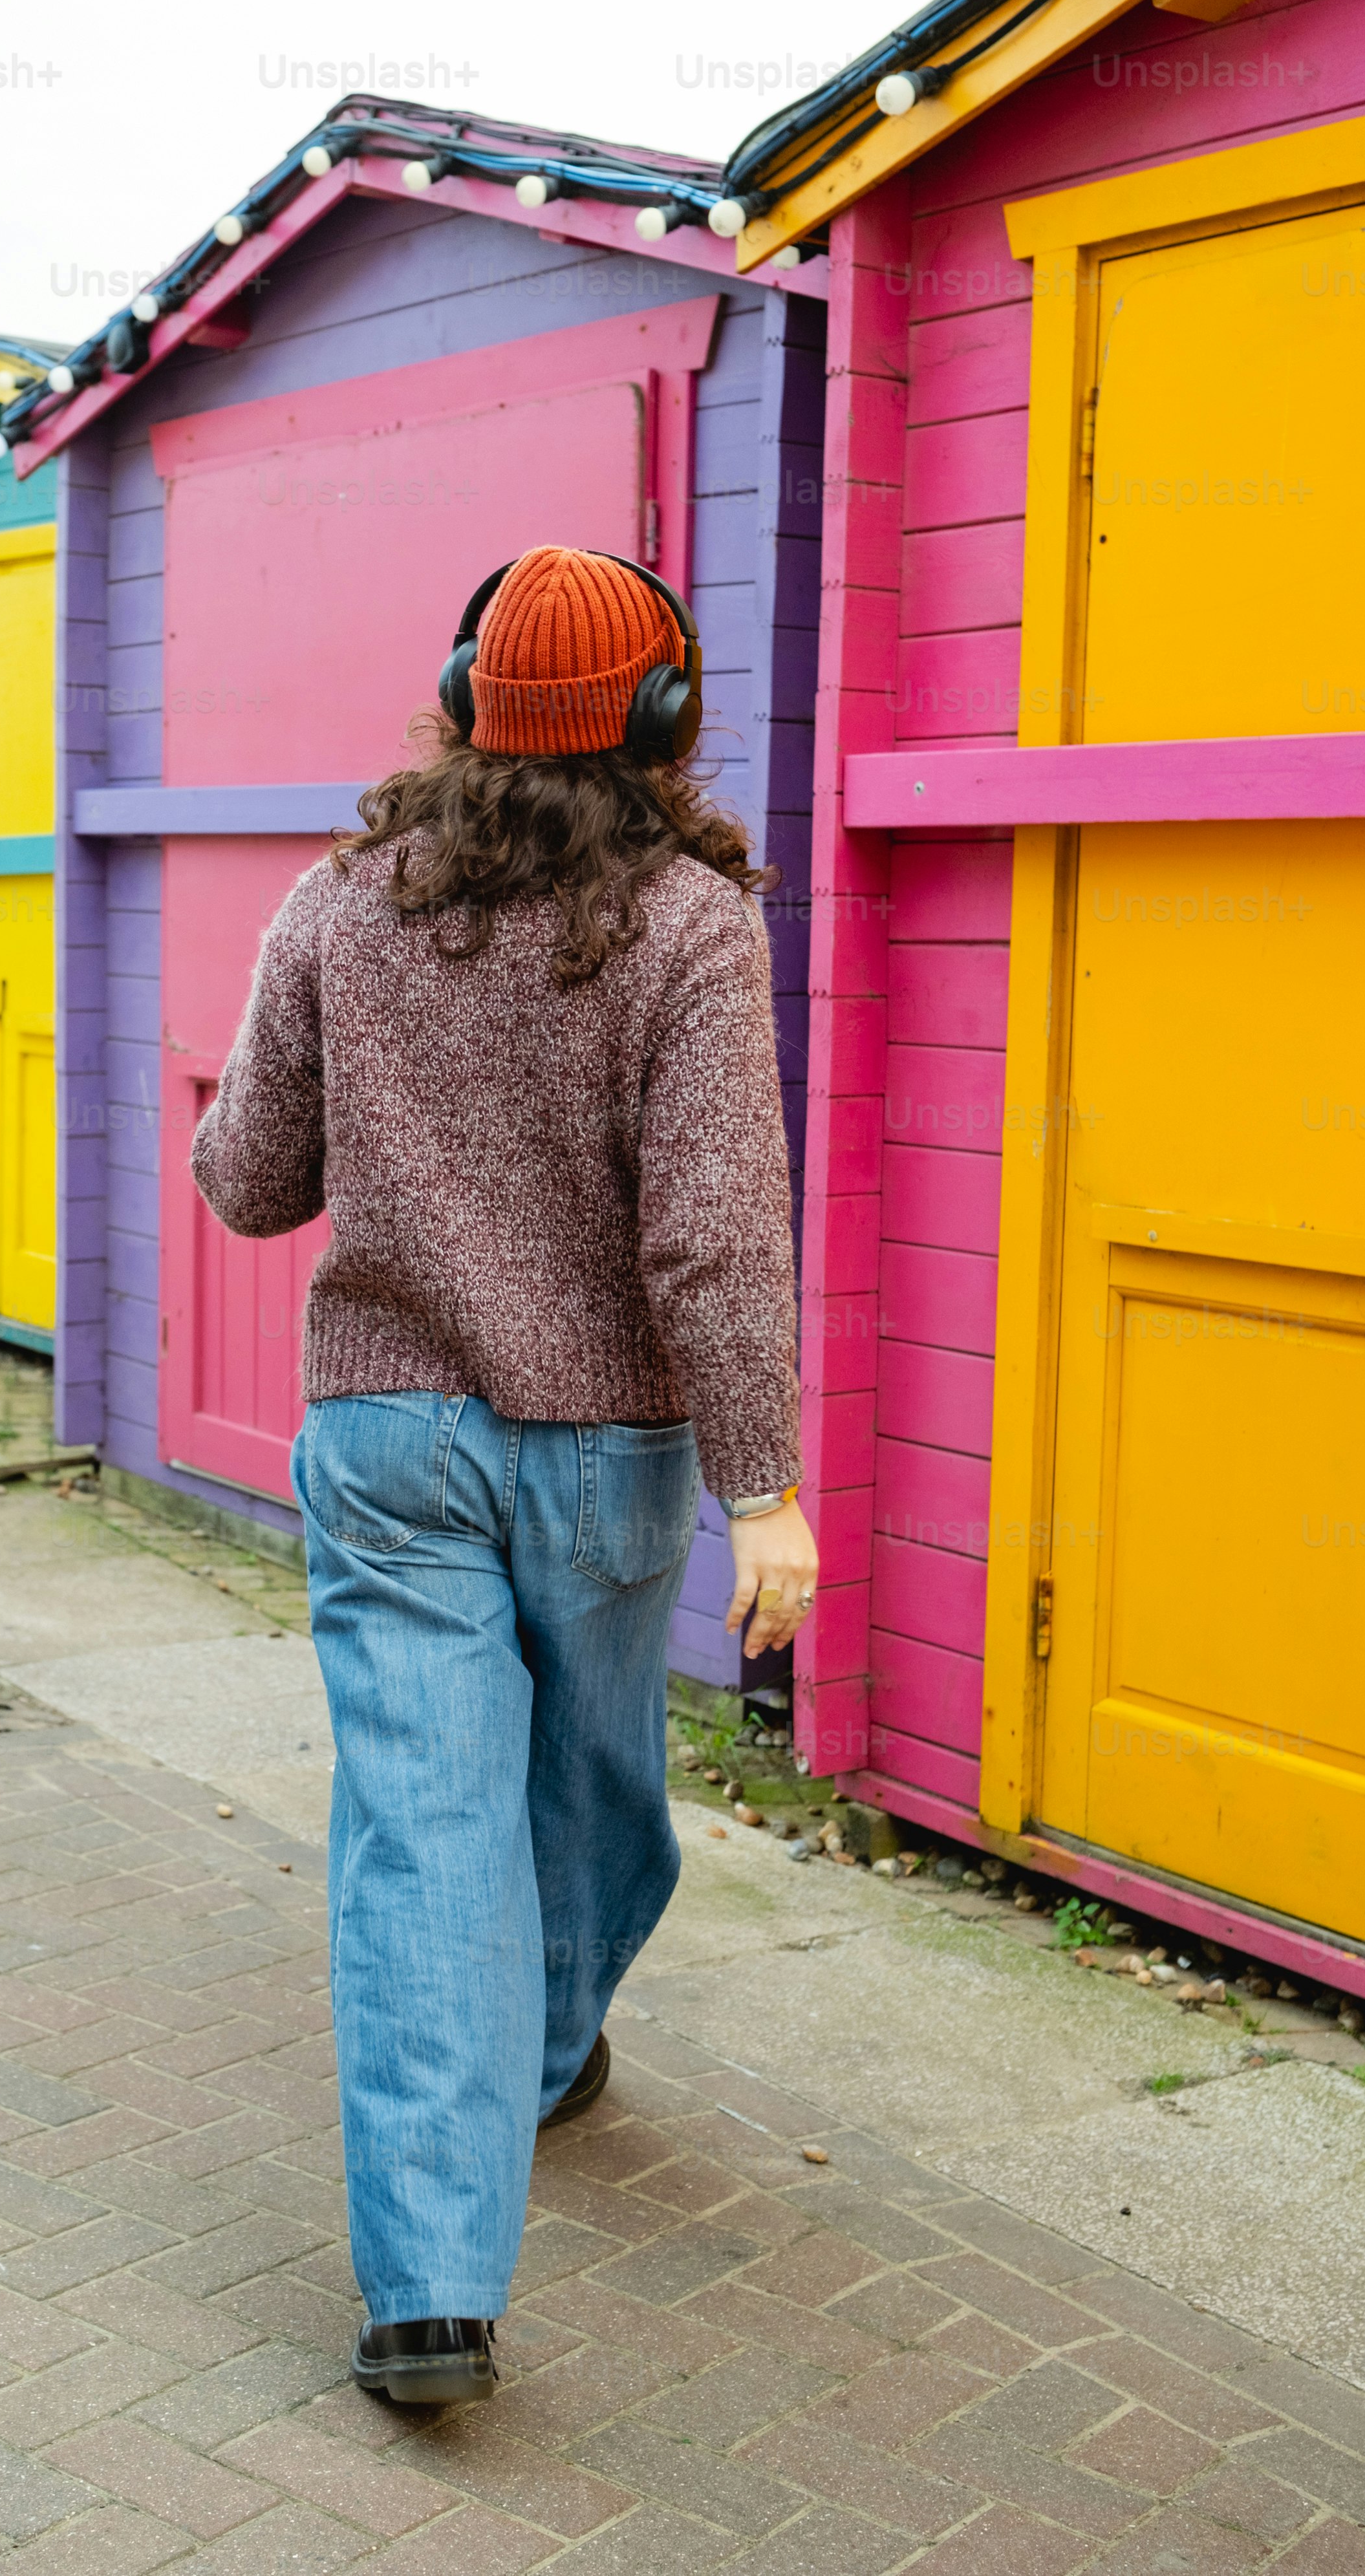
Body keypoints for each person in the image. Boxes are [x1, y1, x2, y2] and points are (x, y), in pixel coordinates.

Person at [192, 543, 815, 2407]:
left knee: (443, 1825)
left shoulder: (335, 896)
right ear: (663, 721)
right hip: (602, 1449)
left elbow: (246, 1181)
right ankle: (441, 2255)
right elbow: (715, 1239)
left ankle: (489, 2141)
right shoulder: (693, 927)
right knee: (566, 1789)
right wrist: (764, 1485)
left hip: (384, 1438)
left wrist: (278, 1061)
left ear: (462, 700)